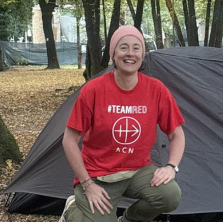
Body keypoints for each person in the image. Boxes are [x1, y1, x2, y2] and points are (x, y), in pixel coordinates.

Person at [60, 25, 185, 222]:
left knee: (170, 195)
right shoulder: (93, 90)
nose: (130, 53)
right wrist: (87, 184)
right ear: (113, 53)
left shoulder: (156, 90)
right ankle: (72, 210)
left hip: (138, 171)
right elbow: (69, 140)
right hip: (97, 175)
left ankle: (129, 219)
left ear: (143, 54)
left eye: (137, 48)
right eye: (123, 47)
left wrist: (171, 167)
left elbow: (176, 134)